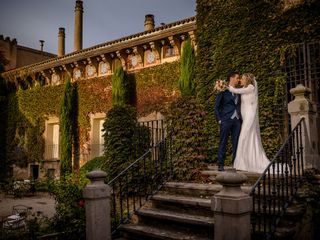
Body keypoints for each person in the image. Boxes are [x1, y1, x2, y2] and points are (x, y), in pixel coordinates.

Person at [228, 73, 270, 173]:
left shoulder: (251, 87)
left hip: (250, 115)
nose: (240, 81)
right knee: (247, 136)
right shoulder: (246, 88)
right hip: (245, 116)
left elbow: (235, 90)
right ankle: (242, 163)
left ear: (247, 79)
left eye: (242, 79)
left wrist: (225, 86)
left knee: (245, 136)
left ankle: (247, 163)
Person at [214, 71, 241, 171]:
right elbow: (216, 107)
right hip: (225, 120)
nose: (238, 80)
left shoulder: (238, 91)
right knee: (223, 142)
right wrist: (220, 120)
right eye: (237, 78)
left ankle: (235, 164)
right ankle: (220, 165)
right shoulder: (223, 90)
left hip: (237, 121)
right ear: (231, 78)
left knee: (237, 143)